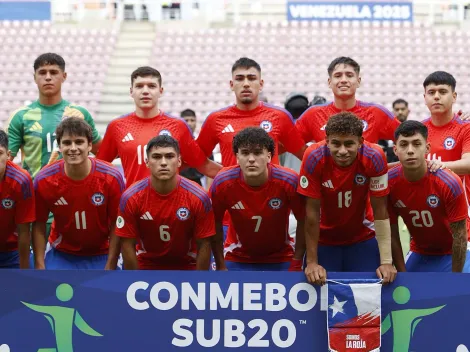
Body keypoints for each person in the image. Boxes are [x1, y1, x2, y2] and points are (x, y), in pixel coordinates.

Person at [299, 112, 396, 285]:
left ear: (360, 142)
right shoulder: (313, 156)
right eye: (336, 143)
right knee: (320, 298)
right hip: (323, 239)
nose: (342, 151)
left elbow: (381, 210)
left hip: (362, 237)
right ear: (327, 141)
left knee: (369, 297)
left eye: (349, 143)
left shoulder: (374, 156)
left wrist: (386, 262)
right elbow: (311, 213)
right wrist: (312, 262)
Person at [97, 66, 221, 187]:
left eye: (151, 86)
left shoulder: (178, 126)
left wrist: (236, 176)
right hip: (134, 204)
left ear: (160, 91)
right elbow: (99, 168)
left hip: (171, 204)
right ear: (131, 91)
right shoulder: (117, 127)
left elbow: (203, 164)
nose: (145, 91)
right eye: (139, 86)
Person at [33, 117, 125, 269]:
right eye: (67, 143)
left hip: (103, 253)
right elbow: (39, 225)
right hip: (61, 253)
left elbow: (117, 224)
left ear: (90, 145)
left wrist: (111, 264)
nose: (73, 148)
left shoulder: (111, 177)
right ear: (60, 147)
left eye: (79, 142)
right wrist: (40, 265)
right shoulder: (45, 179)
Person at [210, 127, 306, 271]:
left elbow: (305, 221)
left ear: (269, 155)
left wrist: (297, 260)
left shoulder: (288, 180)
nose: (251, 159)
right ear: (237, 156)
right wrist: (220, 264)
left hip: (282, 257)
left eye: (257, 152)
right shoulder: (223, 182)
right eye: (245, 153)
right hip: (236, 256)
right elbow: (214, 223)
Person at [115, 135, 215, 270]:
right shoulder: (131, 197)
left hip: (187, 266)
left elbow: (204, 243)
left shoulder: (199, 196)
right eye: (156, 157)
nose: (163, 162)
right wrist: (135, 280)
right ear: (147, 162)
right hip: (146, 266)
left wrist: (199, 282)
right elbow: (127, 243)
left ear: (179, 161)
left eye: (169, 156)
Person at [389, 120, 469, 272]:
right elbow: (392, 233)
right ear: (395, 150)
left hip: (454, 252)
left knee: (458, 292)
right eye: (404, 144)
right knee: (408, 293)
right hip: (419, 251)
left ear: (427, 148)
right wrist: (403, 274)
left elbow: (460, 236)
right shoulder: (390, 183)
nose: (410, 150)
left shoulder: (449, 182)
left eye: (416, 144)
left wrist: (455, 279)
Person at [196, 57, 307, 167]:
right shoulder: (216, 119)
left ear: (261, 84)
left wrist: (289, 179)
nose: (246, 84)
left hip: (272, 185)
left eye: (251, 78)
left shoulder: (279, 116)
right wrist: (222, 175)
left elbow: (304, 155)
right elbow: (197, 158)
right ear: (231, 85)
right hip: (233, 186)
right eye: (239, 79)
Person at [6, 53, 101, 177]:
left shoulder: (80, 114)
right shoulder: (20, 117)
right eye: (42, 72)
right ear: (34, 77)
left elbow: (102, 153)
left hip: (73, 191)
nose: (48, 77)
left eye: (54, 72)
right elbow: (5, 160)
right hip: (36, 192)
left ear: (64, 76)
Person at [295, 56, 400, 144]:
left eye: (349, 75)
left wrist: (386, 168)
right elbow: (286, 143)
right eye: (338, 75)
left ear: (358, 81)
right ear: (329, 82)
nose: (344, 80)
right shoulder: (313, 115)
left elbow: (410, 138)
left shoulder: (377, 113)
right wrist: (309, 160)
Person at [422, 71, 470, 230]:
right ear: (424, 98)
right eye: (431, 92)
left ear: (454, 96)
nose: (436, 96)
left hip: (461, 220)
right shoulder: (419, 130)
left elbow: (468, 163)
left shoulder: (465, 127)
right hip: (427, 217)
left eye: (442, 92)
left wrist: (439, 165)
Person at [0, 130, 34, 268]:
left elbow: (24, 230)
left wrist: (24, 271)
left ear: (8, 155)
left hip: (13, 252)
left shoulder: (21, 180)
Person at [179, 108, 207, 187]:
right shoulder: (173, 144)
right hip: (178, 184)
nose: (190, 123)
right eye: (186, 120)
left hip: (197, 185)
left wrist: (209, 193)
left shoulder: (202, 144)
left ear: (196, 122)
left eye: (192, 120)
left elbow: (209, 169)